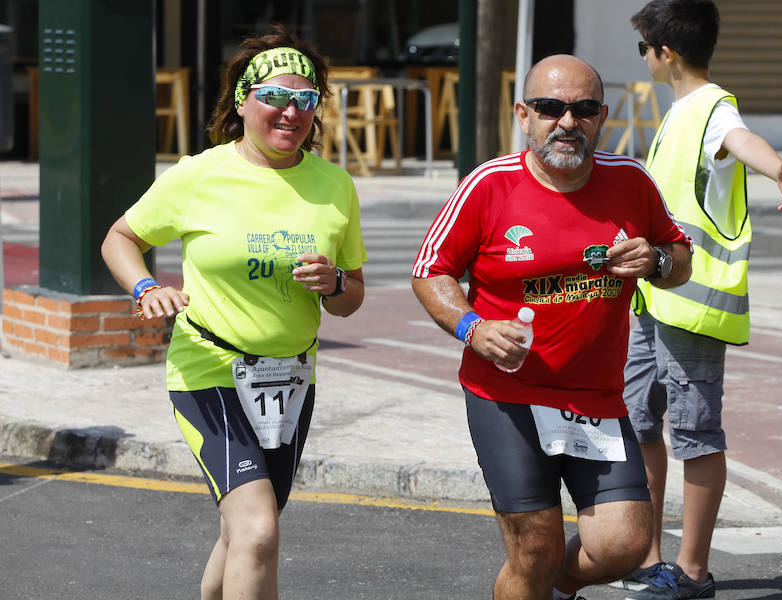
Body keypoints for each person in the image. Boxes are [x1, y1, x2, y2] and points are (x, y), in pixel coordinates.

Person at [411, 54, 693, 600]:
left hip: (597, 399)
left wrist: (656, 262)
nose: (567, 122)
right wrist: (472, 327)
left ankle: (552, 590)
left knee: (624, 545)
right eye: (550, 108)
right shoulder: (490, 185)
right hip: (507, 395)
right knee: (535, 548)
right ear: (524, 115)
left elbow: (679, 259)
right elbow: (431, 271)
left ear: (601, 117)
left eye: (583, 109)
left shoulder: (630, 180)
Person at [101, 24, 366, 600]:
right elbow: (120, 237)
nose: (291, 112)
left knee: (244, 533)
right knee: (258, 528)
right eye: (275, 97)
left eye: (306, 99)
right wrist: (147, 287)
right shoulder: (201, 174)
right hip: (209, 371)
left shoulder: (335, 185)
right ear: (243, 102)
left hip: (291, 379)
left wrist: (335, 280)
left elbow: (351, 300)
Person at [613, 2, 782, 599]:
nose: (642, 56)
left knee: (695, 433)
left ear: (665, 51)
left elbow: (740, 139)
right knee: (639, 422)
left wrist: (778, 170)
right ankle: (646, 560)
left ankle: (693, 572)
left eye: (644, 47)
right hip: (654, 299)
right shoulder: (678, 112)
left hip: (694, 306)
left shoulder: (713, 108)